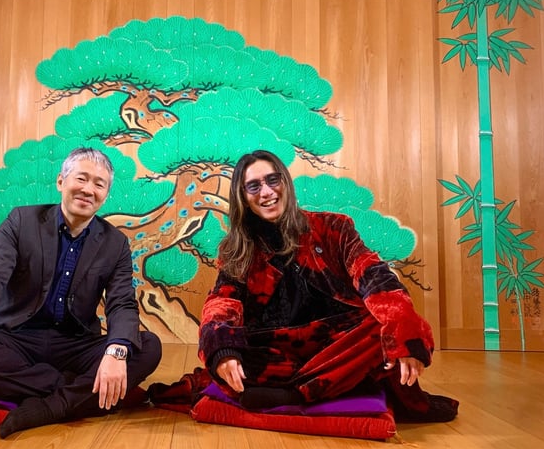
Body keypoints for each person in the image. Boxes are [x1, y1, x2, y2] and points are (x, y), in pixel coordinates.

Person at [196, 149, 458, 421]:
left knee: (382, 327)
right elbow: (221, 301)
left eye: (273, 180)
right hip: (275, 349)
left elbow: (373, 273)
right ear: (243, 197)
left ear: (285, 182)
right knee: (230, 352)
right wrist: (223, 351)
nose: (267, 192)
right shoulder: (236, 249)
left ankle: (295, 395)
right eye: (253, 186)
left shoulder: (334, 227)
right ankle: (334, 385)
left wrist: (403, 330)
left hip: (335, 346)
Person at [0, 147, 162, 438]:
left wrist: (115, 352)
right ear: (61, 181)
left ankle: (49, 407)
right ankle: (79, 393)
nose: (88, 190)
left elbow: (122, 303)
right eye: (81, 178)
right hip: (15, 337)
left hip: (75, 343)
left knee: (148, 347)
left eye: (99, 184)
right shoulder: (21, 221)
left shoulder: (115, 243)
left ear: (106, 194)